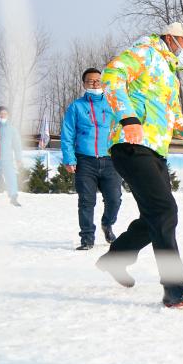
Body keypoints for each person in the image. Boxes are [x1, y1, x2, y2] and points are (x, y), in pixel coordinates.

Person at [95, 22, 183, 308]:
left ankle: (116, 257)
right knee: (163, 210)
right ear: (173, 39)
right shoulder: (145, 52)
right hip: (131, 144)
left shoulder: (171, 76)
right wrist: (128, 118)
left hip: (155, 150)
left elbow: (174, 118)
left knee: (155, 215)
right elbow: (111, 75)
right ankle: (174, 288)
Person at [61, 67, 123, 250]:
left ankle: (107, 223)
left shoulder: (113, 104)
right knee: (86, 202)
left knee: (115, 199)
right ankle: (87, 238)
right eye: (90, 81)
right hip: (85, 161)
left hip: (111, 160)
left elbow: (122, 129)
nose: (95, 84)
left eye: (98, 81)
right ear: (84, 84)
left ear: (103, 82)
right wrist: (69, 158)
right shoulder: (76, 107)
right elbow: (67, 134)